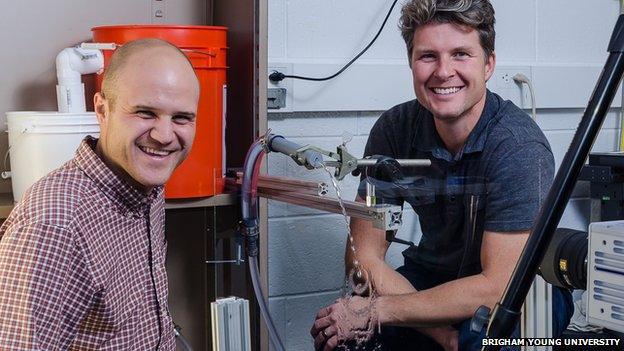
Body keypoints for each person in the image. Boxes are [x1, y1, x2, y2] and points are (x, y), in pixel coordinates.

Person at [310, 1, 573, 350]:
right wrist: (441, 334)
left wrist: (379, 309)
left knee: (482, 344)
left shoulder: (518, 147)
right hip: (432, 277)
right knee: (341, 338)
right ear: (411, 63)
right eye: (428, 56)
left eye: (461, 54)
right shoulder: (394, 131)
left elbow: (496, 284)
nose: (443, 71)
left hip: (521, 288)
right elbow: (363, 257)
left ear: (489, 64)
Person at [0, 38, 199, 350]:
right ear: (102, 109)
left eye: (181, 118)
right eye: (145, 113)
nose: (164, 136)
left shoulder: (146, 188)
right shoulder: (53, 223)